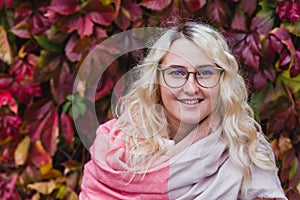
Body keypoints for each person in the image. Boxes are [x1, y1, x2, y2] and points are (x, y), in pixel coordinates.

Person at [79, 22, 287, 200]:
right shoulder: (114, 149)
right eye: (177, 73)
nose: (191, 87)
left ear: (223, 81)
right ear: (156, 79)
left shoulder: (245, 149)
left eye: (205, 73)